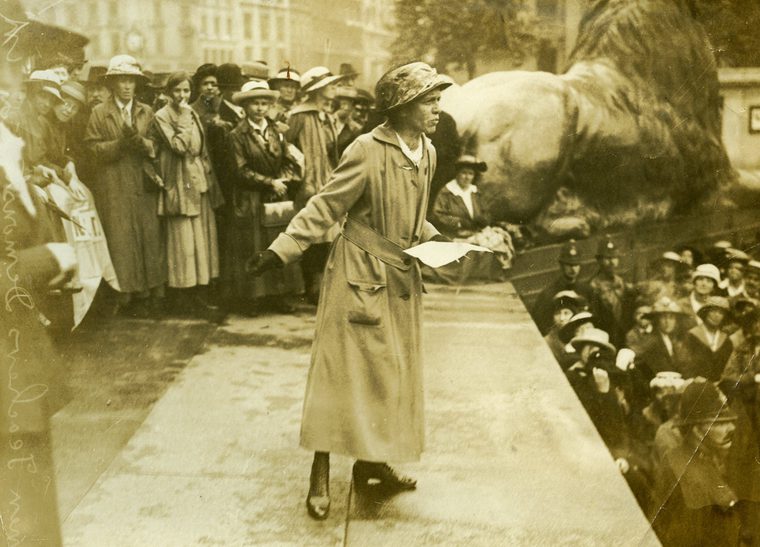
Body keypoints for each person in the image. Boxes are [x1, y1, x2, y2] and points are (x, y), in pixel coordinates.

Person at [249, 61, 451, 519]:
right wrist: (282, 248)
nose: (438, 110)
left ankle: (372, 465)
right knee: (338, 377)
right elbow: (327, 204)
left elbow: (414, 215)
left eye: (438, 100)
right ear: (402, 108)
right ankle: (319, 475)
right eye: (430, 101)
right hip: (357, 276)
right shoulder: (366, 148)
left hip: (400, 279)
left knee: (390, 378)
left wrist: (437, 240)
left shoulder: (428, 150)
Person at [85, 54, 166, 317]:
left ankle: (148, 293)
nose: (126, 86)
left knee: (147, 236)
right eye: (121, 80)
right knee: (120, 237)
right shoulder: (99, 113)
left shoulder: (146, 111)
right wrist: (119, 145)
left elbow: (156, 146)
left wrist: (140, 143)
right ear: (113, 84)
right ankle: (125, 294)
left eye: (130, 81)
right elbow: (92, 150)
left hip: (141, 181)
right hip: (114, 182)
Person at [151, 72, 224, 312]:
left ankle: (198, 291)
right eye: (177, 91)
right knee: (183, 240)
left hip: (197, 180)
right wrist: (182, 116)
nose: (182, 96)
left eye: (186, 91)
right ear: (168, 93)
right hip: (179, 180)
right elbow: (178, 147)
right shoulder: (162, 115)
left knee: (199, 239)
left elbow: (200, 148)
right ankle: (183, 293)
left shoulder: (192, 112)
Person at [227, 80, 303, 313]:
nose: (260, 109)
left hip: (275, 196)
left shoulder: (276, 132)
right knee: (254, 245)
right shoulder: (237, 135)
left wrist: (282, 179)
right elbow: (239, 170)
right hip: (251, 196)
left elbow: (289, 159)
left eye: (264, 104)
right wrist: (269, 182)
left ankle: (278, 295)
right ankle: (252, 299)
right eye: (254, 104)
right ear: (246, 107)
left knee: (275, 243)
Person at [653, 380, 746, 546]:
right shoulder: (689, 474)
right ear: (696, 430)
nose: (731, 427)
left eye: (730, 421)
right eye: (720, 422)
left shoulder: (695, 458)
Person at [286, 66, 346, 304]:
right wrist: (299, 165)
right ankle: (311, 286)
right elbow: (285, 145)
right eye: (330, 85)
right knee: (312, 234)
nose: (334, 88)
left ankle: (324, 284)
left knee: (329, 235)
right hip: (307, 185)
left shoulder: (327, 116)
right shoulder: (299, 115)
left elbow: (333, 150)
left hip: (327, 182)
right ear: (318, 90)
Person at [531, 238, 594, 335]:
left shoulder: (587, 291)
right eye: (569, 264)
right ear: (561, 265)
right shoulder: (549, 294)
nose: (573, 269)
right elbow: (540, 325)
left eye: (576, 264)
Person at [589, 235, 635, 346]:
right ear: (599, 260)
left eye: (615, 258)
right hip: (606, 339)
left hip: (623, 336)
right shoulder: (594, 287)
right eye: (607, 258)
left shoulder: (620, 282)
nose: (612, 262)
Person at [681, 296, 733, 381]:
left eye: (721, 313)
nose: (716, 315)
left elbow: (729, 368)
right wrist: (694, 378)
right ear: (705, 313)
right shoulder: (691, 336)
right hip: (696, 383)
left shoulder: (726, 340)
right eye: (713, 311)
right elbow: (684, 365)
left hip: (719, 385)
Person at [637, 297, 688, 381]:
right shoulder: (650, 341)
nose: (667, 322)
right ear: (656, 320)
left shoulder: (673, 339)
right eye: (663, 317)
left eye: (671, 318)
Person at [679, 263, 721, 329]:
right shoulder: (680, 305)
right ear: (694, 282)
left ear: (713, 287)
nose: (704, 284)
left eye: (709, 281)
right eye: (700, 279)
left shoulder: (717, 308)